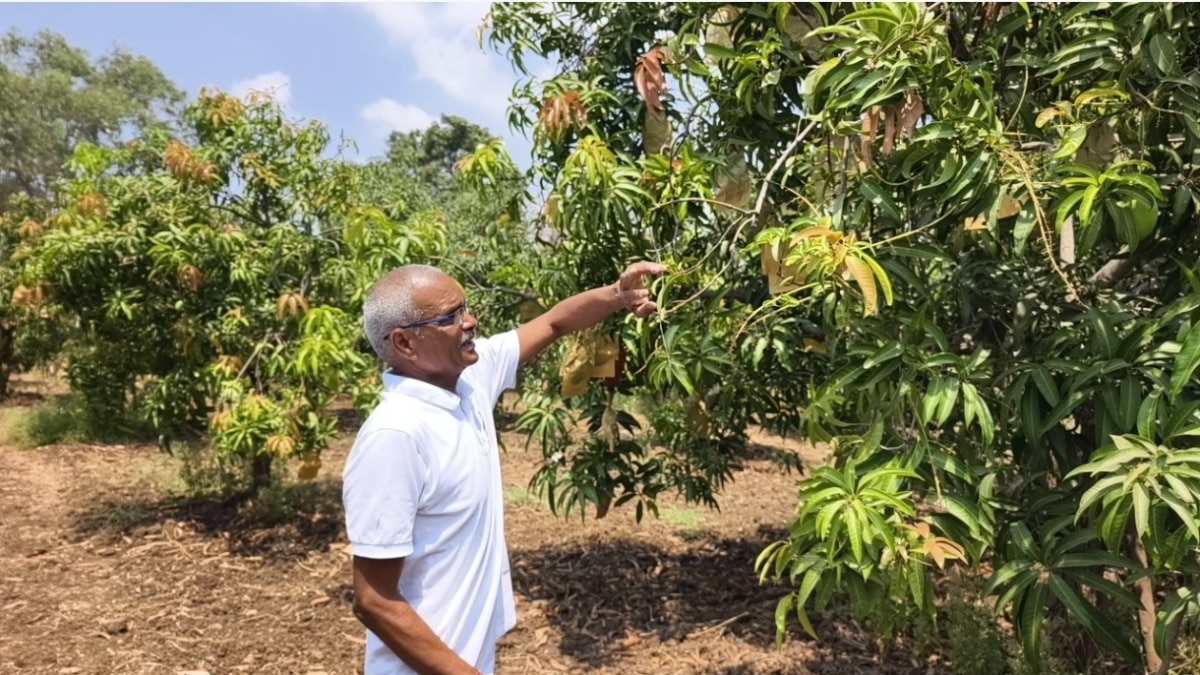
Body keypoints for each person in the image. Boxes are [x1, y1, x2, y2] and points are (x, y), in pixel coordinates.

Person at [342, 261, 664, 675]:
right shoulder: (396, 436)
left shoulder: (470, 382)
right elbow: (374, 601)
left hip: (464, 657)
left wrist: (617, 296)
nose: (470, 321)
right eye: (450, 317)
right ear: (404, 343)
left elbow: (553, 324)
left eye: (466, 308)